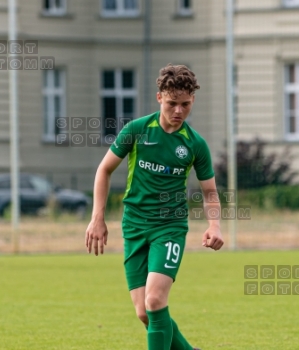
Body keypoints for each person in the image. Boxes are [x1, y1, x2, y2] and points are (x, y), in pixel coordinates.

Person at [85, 64, 224, 350]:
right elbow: (104, 171)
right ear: (159, 97)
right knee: (144, 312)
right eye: (172, 103)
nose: (179, 111)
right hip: (134, 227)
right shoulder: (136, 130)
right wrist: (97, 218)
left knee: (155, 300)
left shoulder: (195, 144)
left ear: (192, 101)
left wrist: (215, 225)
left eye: (185, 105)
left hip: (169, 227)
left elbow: (209, 191)